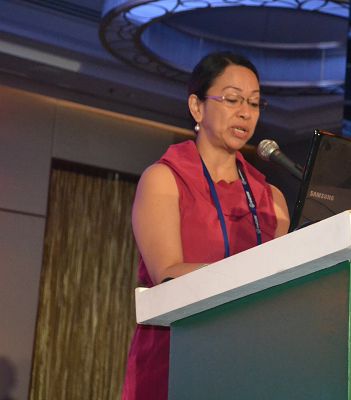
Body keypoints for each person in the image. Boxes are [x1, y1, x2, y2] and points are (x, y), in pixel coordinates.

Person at [121, 52, 290, 400]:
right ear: (197, 107)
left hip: (249, 364)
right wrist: (250, 277)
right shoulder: (165, 179)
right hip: (175, 359)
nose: (245, 112)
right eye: (232, 99)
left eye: (254, 103)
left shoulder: (271, 199)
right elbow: (167, 273)